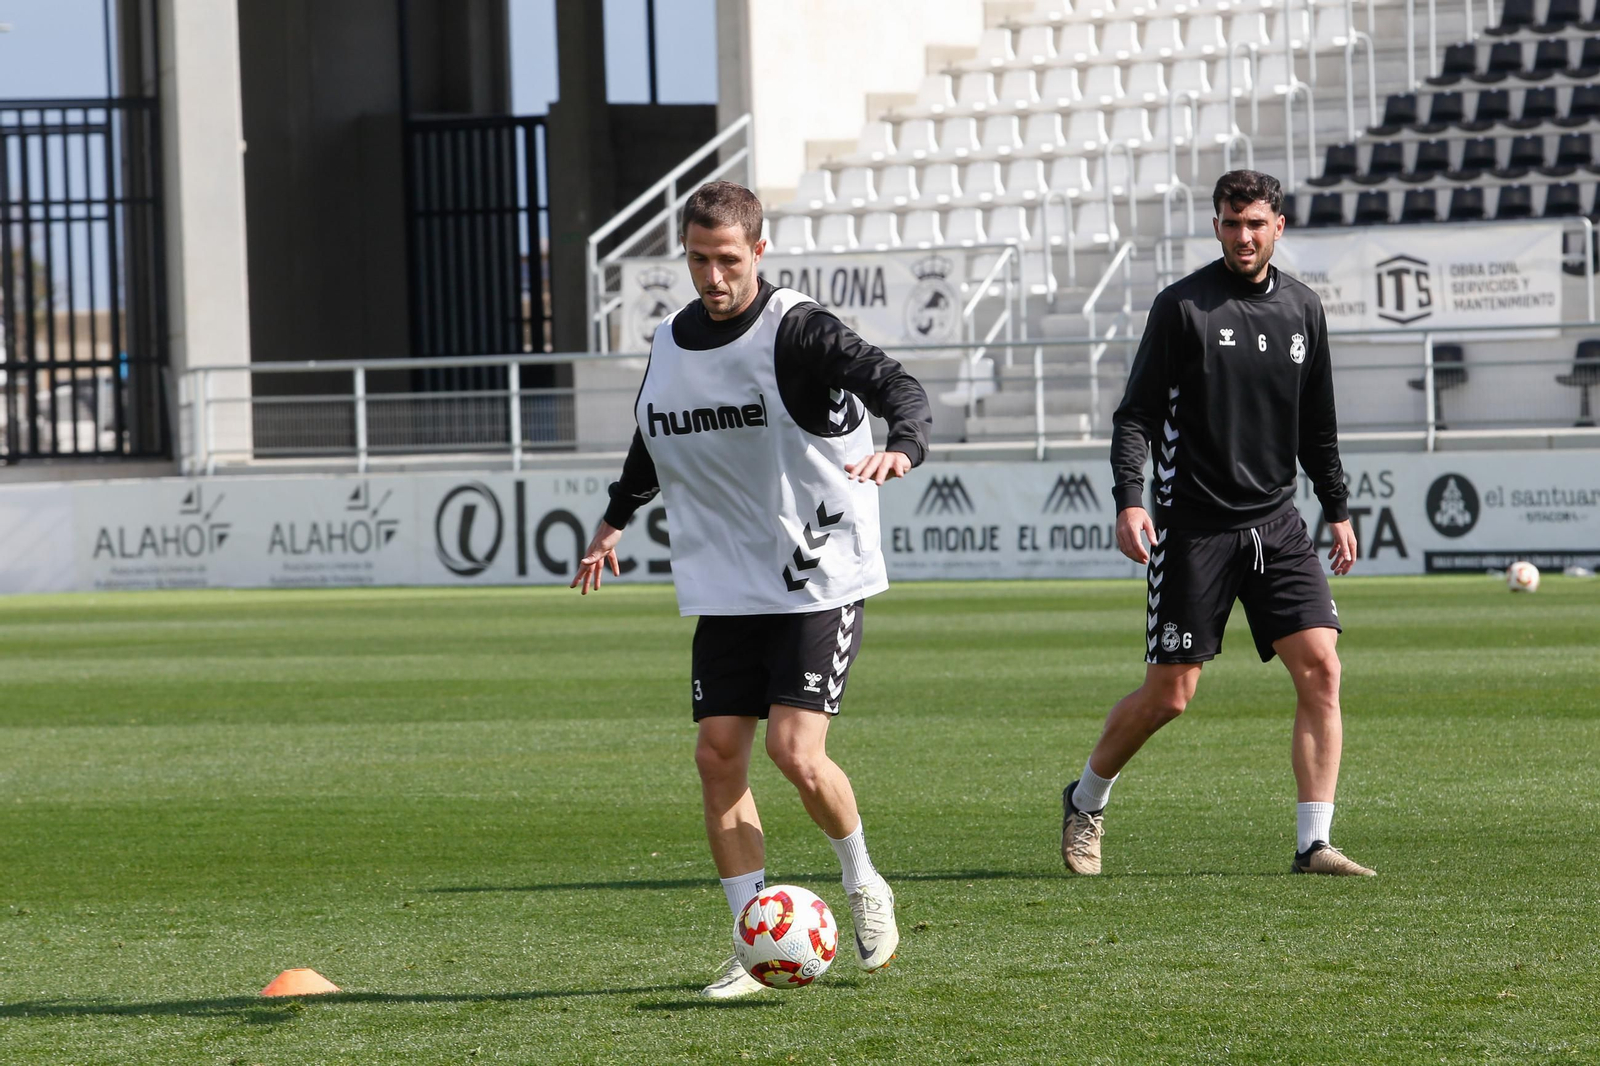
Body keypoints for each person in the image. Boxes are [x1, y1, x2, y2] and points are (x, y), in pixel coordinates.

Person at [572, 180, 933, 998]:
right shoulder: (669, 339)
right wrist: (614, 519)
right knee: (717, 755)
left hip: (818, 572)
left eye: (727, 259)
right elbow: (650, 436)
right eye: (697, 259)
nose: (712, 276)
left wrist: (904, 445)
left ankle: (864, 881)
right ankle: (753, 944)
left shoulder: (796, 330)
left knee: (794, 752)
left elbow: (896, 386)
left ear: (758, 252)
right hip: (728, 581)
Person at [1060, 170, 1376, 879]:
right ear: (1216, 227)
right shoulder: (1183, 308)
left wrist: (1338, 508)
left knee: (1322, 669)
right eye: (1232, 225)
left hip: (1277, 523)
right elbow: (1135, 416)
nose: (1244, 237)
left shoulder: (1303, 309)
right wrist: (1130, 498)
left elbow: (1317, 425)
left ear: (1279, 228)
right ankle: (1086, 799)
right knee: (1171, 695)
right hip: (1194, 528)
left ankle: (1313, 843)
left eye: (1256, 224)